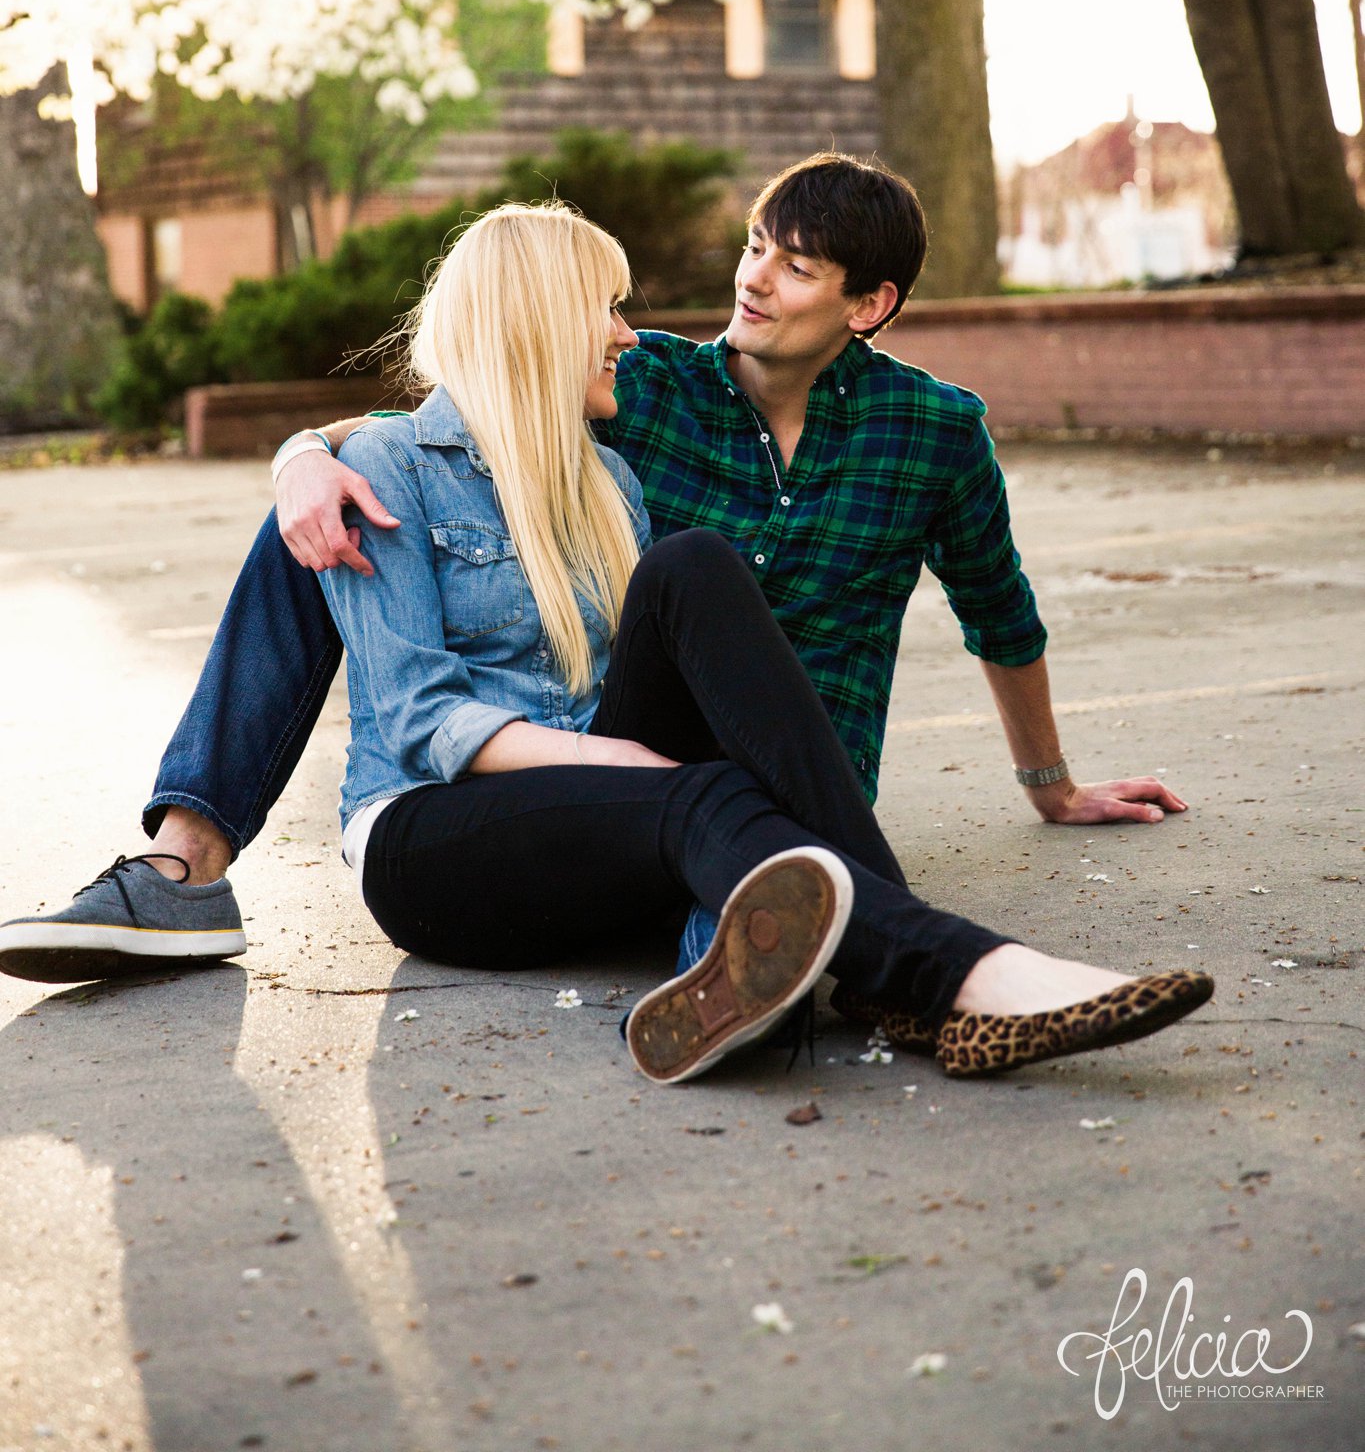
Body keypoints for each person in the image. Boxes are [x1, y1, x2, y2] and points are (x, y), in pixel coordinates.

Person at [1, 156, 1194, 1064]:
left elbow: (1002, 610)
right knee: (324, 514)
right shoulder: (646, 391)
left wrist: (1052, 784)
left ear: (868, 305)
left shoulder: (916, 431)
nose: (747, 279)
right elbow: (455, 450)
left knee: (691, 586)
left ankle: (771, 959)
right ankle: (184, 859)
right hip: (548, 789)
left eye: (795, 264)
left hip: (764, 771)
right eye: (754, 246)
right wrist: (301, 456)